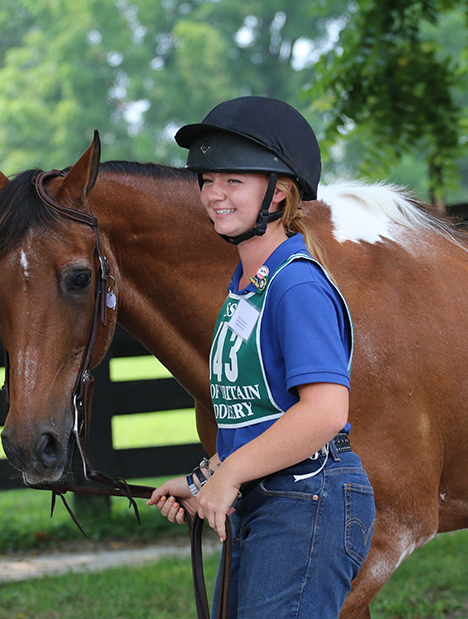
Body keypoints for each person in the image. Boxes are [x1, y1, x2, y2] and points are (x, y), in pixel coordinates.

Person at [147, 96, 376, 619]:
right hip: (271, 499)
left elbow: (325, 412)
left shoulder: (296, 284)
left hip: (308, 502)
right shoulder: (248, 285)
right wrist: (205, 479)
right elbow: (261, 413)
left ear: (281, 192)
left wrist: (230, 477)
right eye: (207, 179)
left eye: (234, 180)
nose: (213, 194)